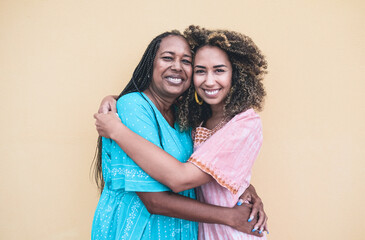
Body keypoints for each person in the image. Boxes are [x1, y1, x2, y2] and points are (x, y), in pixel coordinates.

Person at [94, 25, 268, 239]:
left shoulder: (186, 117)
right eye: (167, 58)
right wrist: (117, 111)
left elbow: (211, 166)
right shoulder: (135, 107)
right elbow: (156, 199)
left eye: (186, 61)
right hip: (139, 231)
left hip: (191, 231)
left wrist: (246, 187)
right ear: (150, 64)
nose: (177, 67)